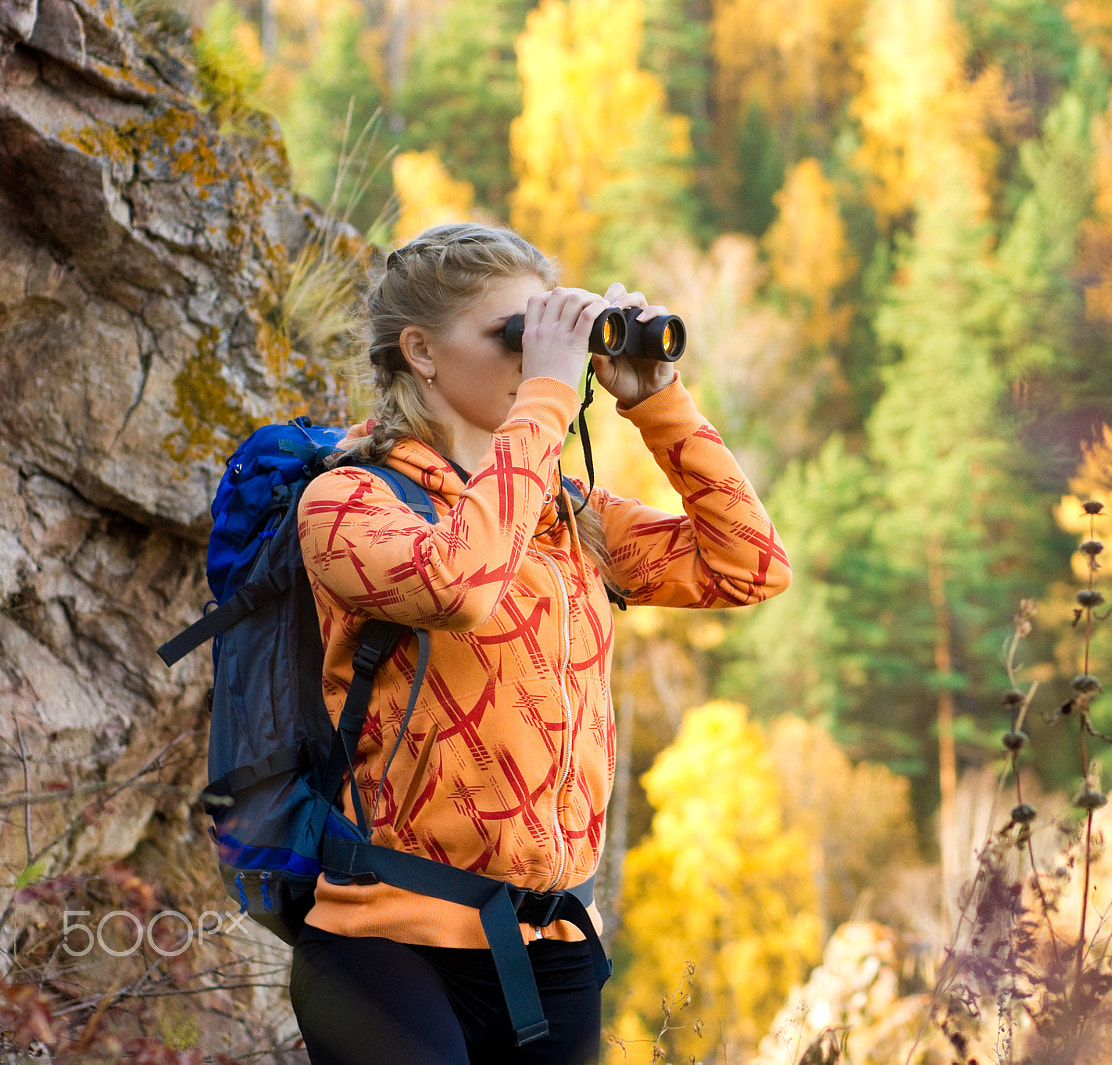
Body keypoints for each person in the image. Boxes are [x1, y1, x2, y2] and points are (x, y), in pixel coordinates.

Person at [288, 222, 790, 1065]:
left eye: (549, 332)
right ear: (422, 351)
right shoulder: (345, 503)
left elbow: (750, 566)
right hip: (384, 943)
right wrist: (549, 399)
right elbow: (460, 583)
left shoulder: (569, 515)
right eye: (513, 336)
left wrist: (655, 400)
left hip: (546, 946)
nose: (536, 357)